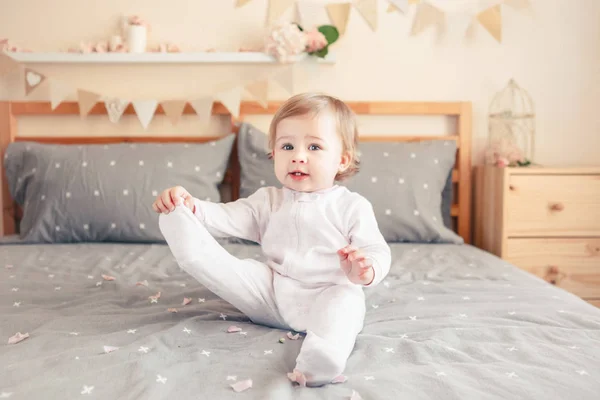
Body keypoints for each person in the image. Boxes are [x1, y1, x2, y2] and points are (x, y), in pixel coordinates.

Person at [153, 93, 391, 387]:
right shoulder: (267, 200)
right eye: (287, 146)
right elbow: (225, 217)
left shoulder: (351, 206)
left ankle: (321, 358)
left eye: (314, 146)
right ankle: (190, 243)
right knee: (241, 268)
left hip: (327, 292)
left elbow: (376, 249)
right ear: (274, 154)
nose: (298, 155)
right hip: (272, 292)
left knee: (347, 307)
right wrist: (190, 206)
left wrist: (365, 270)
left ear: (341, 160)